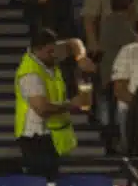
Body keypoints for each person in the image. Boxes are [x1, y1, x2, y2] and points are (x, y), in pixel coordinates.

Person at [14, 28, 90, 178]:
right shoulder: (30, 74)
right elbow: (42, 108)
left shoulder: (48, 54)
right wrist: (72, 104)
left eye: (54, 50)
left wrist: (81, 58)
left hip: (50, 134)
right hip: (35, 138)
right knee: (43, 181)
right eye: (50, 52)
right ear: (37, 50)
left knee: (53, 178)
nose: (54, 55)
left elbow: (74, 43)